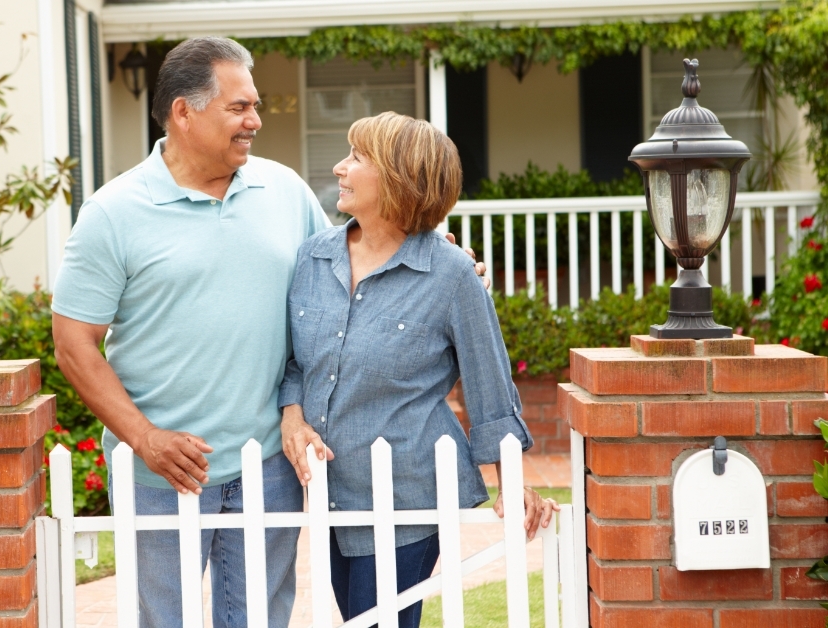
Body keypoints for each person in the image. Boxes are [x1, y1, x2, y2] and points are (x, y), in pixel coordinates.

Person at [52, 38, 484, 628]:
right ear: (184, 112)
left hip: (269, 468)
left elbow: (354, 259)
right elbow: (74, 345)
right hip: (163, 473)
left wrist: (437, 257)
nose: (255, 121)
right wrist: (144, 438)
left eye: (255, 105)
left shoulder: (283, 191)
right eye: (239, 108)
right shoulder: (112, 212)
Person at [278, 112, 559, 628]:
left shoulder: (451, 275)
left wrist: (509, 480)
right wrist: (292, 419)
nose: (340, 167)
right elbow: (293, 363)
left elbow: (490, 387)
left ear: (400, 176)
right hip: (332, 495)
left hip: (407, 496)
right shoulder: (313, 259)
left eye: (357, 158)